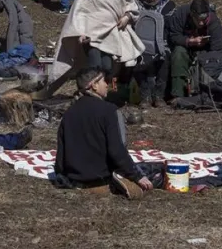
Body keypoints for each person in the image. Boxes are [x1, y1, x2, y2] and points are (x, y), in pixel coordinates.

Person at [53, 0, 144, 102]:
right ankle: (88, 96)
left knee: (107, 66)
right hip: (92, 35)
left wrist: (127, 16)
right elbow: (80, 11)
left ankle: (104, 94)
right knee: (94, 66)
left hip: (111, 33)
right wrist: (80, 32)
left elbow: (129, 2)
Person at [54, 69, 154, 199]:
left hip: (74, 181)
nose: (107, 84)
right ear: (94, 85)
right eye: (104, 81)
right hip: (99, 180)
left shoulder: (68, 113)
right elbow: (117, 151)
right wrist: (137, 176)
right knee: (153, 172)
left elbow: (61, 155)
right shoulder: (109, 110)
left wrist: (62, 175)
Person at [167, 0, 222, 101]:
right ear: (192, 15)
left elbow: (218, 47)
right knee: (178, 53)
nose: (201, 23)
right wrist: (190, 41)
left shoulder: (213, 20)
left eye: (204, 20)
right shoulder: (181, 14)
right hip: (187, 48)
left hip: (206, 51)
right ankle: (178, 94)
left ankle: (214, 91)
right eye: (198, 20)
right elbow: (174, 36)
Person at [131, 0, 175, 108]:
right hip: (139, 43)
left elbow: (171, 30)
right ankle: (145, 95)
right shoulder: (135, 4)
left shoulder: (168, 6)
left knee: (165, 58)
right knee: (135, 58)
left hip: (161, 43)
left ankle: (159, 95)